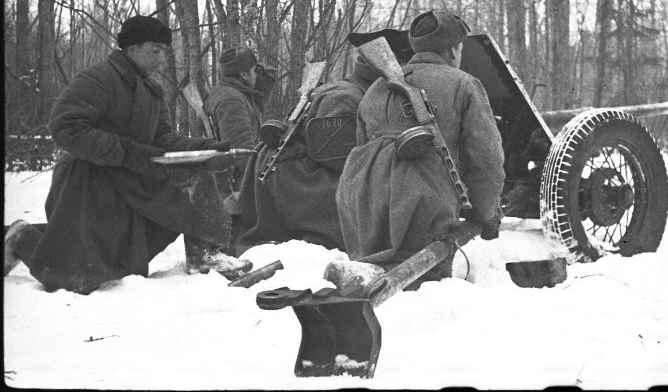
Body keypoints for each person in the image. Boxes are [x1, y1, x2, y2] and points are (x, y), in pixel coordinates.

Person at [3, 15, 252, 294]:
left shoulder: (152, 91)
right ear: (132, 48)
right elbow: (65, 128)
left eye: (164, 52)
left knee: (192, 177)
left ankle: (204, 254)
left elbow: (163, 138)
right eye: (155, 50)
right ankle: (22, 237)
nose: (161, 59)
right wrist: (127, 152)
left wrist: (205, 147)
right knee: (76, 277)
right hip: (88, 182)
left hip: (131, 177)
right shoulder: (97, 79)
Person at [335, 10, 505, 285]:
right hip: (421, 201)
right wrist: (485, 214)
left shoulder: (375, 88)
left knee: (376, 277)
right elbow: (487, 160)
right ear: (452, 50)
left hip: (361, 202)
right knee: (425, 287)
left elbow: (361, 144)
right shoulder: (463, 84)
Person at [229, 28, 413, 256]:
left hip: (293, 169)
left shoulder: (357, 91)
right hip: (292, 175)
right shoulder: (346, 97)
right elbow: (337, 159)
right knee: (361, 213)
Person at [204, 47, 276, 195]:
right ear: (244, 74)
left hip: (239, 178)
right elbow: (242, 154)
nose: (257, 75)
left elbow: (258, 100)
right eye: (254, 71)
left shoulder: (225, 90)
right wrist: (271, 174)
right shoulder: (232, 100)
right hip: (239, 185)